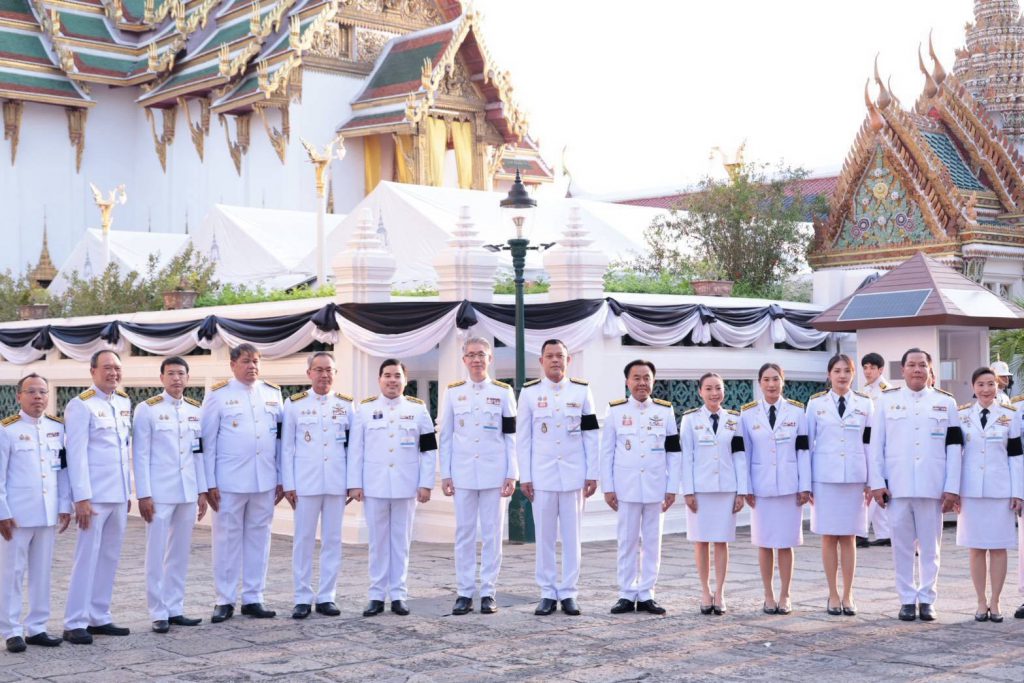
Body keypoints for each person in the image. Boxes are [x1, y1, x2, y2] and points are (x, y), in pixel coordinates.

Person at [869, 347, 962, 622]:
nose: (917, 369)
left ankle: (928, 599)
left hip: (932, 487)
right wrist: (876, 482)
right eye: (912, 365)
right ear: (903, 369)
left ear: (930, 369)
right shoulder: (887, 401)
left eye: (922, 365)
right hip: (897, 487)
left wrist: (952, 487)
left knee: (931, 549)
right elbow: (877, 446)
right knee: (902, 547)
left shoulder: (947, 402)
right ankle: (907, 600)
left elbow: (955, 448)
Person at [202, 343, 284, 623]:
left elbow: (281, 441)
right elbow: (208, 443)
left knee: (260, 539)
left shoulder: (273, 394)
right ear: (233, 365)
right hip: (229, 481)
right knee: (226, 540)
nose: (252, 367)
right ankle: (224, 599)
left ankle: (253, 597)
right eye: (247, 361)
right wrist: (209, 481)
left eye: (256, 361)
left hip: (264, 479)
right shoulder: (218, 395)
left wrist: (282, 478)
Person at [517, 339, 600, 616]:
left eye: (560, 356)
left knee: (572, 536)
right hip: (542, 475)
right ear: (541, 361)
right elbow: (524, 439)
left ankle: (569, 592)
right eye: (550, 356)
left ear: (568, 360)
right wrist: (525, 476)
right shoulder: (529, 394)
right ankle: (547, 592)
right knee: (545, 536)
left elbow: (591, 435)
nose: (555, 360)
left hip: (574, 474)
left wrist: (592, 473)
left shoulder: (582, 391)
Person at [348, 359, 436, 617]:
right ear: (379, 379)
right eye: (387, 375)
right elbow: (356, 450)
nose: (392, 380)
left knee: (401, 542)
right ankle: (376, 595)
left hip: (406, 486)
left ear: (404, 381)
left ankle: (398, 594)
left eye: (397, 375)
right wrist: (354, 484)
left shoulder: (418, 410)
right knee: (377, 542)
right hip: (374, 485)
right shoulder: (365, 410)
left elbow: (429, 450)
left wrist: (425, 483)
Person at [438, 337, 517, 616]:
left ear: (490, 359)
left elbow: (511, 436)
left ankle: (488, 592)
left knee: (493, 534)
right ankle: (464, 592)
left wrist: (512, 473)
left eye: (481, 354)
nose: (476, 359)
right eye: (471, 355)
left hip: (495, 473)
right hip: (462, 473)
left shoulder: (504, 392)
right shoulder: (452, 392)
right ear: (464, 360)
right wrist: (445, 474)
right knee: (464, 533)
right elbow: (445, 436)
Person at [132, 357, 208, 633]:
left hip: (187, 491)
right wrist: (144, 494)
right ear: (162, 377)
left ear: (188, 378)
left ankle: (175, 607)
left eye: (181, 374)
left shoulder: (195, 410)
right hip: (160, 492)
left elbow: (199, 454)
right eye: (171, 374)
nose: (176, 379)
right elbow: (139, 455)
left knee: (179, 552)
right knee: (157, 552)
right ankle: (157, 611)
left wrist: (201, 489)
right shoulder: (147, 410)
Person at [62, 349, 133, 644]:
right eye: (106, 368)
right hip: (94, 497)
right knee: (87, 557)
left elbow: (123, 451)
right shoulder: (81, 405)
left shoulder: (124, 402)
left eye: (117, 368)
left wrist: (128, 490)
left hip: (118, 493)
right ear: (93, 371)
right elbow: (76, 455)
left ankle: (99, 615)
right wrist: (81, 498)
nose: (113, 373)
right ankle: (74, 620)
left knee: (109, 556)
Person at [601, 360, 680, 616]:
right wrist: (608, 487)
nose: (641, 383)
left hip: (656, 486)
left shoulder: (666, 411)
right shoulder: (615, 411)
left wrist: (672, 487)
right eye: (636, 378)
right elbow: (607, 453)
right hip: (626, 487)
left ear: (653, 381)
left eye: (646, 378)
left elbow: (673, 453)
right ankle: (626, 593)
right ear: (627, 382)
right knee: (627, 541)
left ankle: (646, 593)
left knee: (653, 542)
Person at [0, 374, 71, 652]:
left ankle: (37, 627)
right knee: (12, 573)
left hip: (47, 512)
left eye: (43, 392)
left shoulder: (56, 428)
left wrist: (65, 505)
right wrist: (2, 512)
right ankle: (11, 630)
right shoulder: (7, 430)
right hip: (16, 516)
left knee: (42, 572)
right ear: (19, 397)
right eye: (31, 392)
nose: (38, 397)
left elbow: (62, 470)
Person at [281, 351, 353, 620]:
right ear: (309, 373)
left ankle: (326, 596)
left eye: (329, 370)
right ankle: (301, 597)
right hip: (305, 483)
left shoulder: (346, 405)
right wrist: (289, 483)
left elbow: (354, 448)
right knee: (303, 540)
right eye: (319, 370)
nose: (324, 375)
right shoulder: (295, 404)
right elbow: (287, 448)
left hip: (336, 482)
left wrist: (352, 483)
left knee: (332, 540)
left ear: (335, 373)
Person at [806, 354, 874, 616]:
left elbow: (870, 444)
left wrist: (872, 480)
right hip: (824, 478)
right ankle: (832, 593)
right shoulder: (815, 405)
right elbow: (807, 446)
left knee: (849, 536)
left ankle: (848, 593)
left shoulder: (865, 404)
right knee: (828, 536)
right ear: (829, 374)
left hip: (855, 478)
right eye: (837, 370)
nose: (842, 375)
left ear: (853, 374)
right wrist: (807, 482)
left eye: (847, 371)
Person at [741, 362, 809, 615]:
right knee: (764, 542)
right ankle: (768, 595)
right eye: (766, 380)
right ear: (759, 383)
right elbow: (744, 454)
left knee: (786, 543)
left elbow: (803, 451)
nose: (771, 384)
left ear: (783, 381)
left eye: (775, 379)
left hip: (790, 486)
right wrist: (745, 486)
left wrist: (805, 485)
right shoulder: (747, 414)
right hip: (761, 487)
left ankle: (785, 594)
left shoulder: (796, 412)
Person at [956, 367, 1022, 623]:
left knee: (997, 548)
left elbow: (1016, 456)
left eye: (991, 384)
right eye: (981, 384)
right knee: (975, 548)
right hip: (970, 491)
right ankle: (980, 602)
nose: (986, 389)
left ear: (998, 387)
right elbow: (954, 457)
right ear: (973, 387)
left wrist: (1018, 492)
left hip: (999, 491)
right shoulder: (962, 415)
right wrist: (953, 490)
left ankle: (995, 601)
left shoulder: (1010, 415)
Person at [679, 372, 746, 616]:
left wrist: (742, 490)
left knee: (721, 541)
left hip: (727, 488)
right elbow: (686, 457)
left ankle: (720, 592)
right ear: (700, 392)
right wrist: (687, 490)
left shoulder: (734, 420)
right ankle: (705, 590)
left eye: (718, 388)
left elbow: (740, 456)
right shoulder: (690, 419)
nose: (714, 393)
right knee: (701, 541)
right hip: (700, 489)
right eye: (708, 388)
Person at [858, 352, 891, 549]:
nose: (868, 371)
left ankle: (860, 532)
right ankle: (885, 532)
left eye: (872, 367)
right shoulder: (865, 390)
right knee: (874, 487)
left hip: (877, 445)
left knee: (871, 488)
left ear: (881, 370)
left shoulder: (885, 392)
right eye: (865, 367)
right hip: (866, 443)